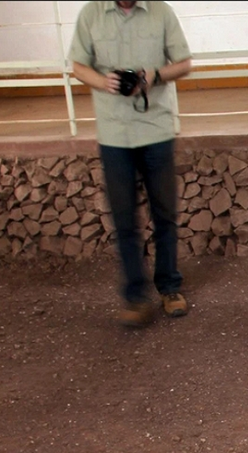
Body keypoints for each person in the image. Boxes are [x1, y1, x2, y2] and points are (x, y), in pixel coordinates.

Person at [69, 0, 193, 328]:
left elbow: (184, 63)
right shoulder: (91, 14)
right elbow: (78, 65)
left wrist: (155, 75)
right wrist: (103, 82)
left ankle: (169, 288)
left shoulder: (161, 11)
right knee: (125, 220)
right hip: (114, 134)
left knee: (165, 214)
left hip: (156, 130)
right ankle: (134, 296)